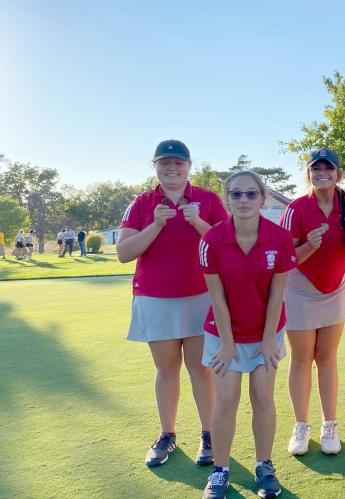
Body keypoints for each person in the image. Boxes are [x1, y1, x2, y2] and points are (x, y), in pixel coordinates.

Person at [117, 139, 227, 468]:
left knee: (201, 369)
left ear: (189, 166)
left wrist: (197, 222)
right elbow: (124, 253)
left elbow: (227, 246)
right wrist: (156, 223)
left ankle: (209, 435)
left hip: (201, 296)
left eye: (178, 162)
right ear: (155, 166)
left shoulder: (208, 200)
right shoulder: (141, 203)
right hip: (155, 297)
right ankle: (167, 434)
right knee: (167, 370)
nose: (172, 167)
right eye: (164, 162)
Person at [199, 171, 295, 499]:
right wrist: (227, 343)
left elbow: (276, 294)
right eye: (237, 194)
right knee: (226, 399)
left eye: (251, 194)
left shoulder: (280, 239)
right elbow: (217, 297)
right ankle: (220, 471)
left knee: (262, 396)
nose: (244, 200)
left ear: (262, 198)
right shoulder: (211, 240)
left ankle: (264, 466)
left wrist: (268, 339)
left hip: (266, 330)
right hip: (223, 333)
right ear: (228, 198)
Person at [279, 148, 345, 457]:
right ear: (309, 174)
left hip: (334, 289)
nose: (322, 173)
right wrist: (310, 247)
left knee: (327, 357)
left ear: (338, 173)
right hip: (300, 288)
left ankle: (330, 425)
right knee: (302, 359)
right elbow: (285, 259)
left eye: (328, 168)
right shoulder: (296, 208)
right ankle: (301, 426)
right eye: (316, 169)